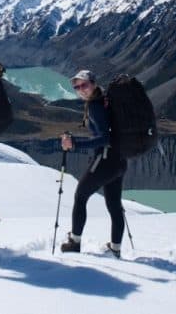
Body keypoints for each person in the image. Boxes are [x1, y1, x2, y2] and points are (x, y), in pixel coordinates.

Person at [60, 70, 127, 258]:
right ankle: (115, 249)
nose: (81, 89)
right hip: (119, 160)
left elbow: (103, 138)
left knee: (80, 196)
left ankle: (74, 243)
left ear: (93, 83)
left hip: (105, 160)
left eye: (84, 85)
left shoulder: (96, 106)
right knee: (114, 205)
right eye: (77, 87)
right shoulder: (106, 100)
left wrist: (74, 143)